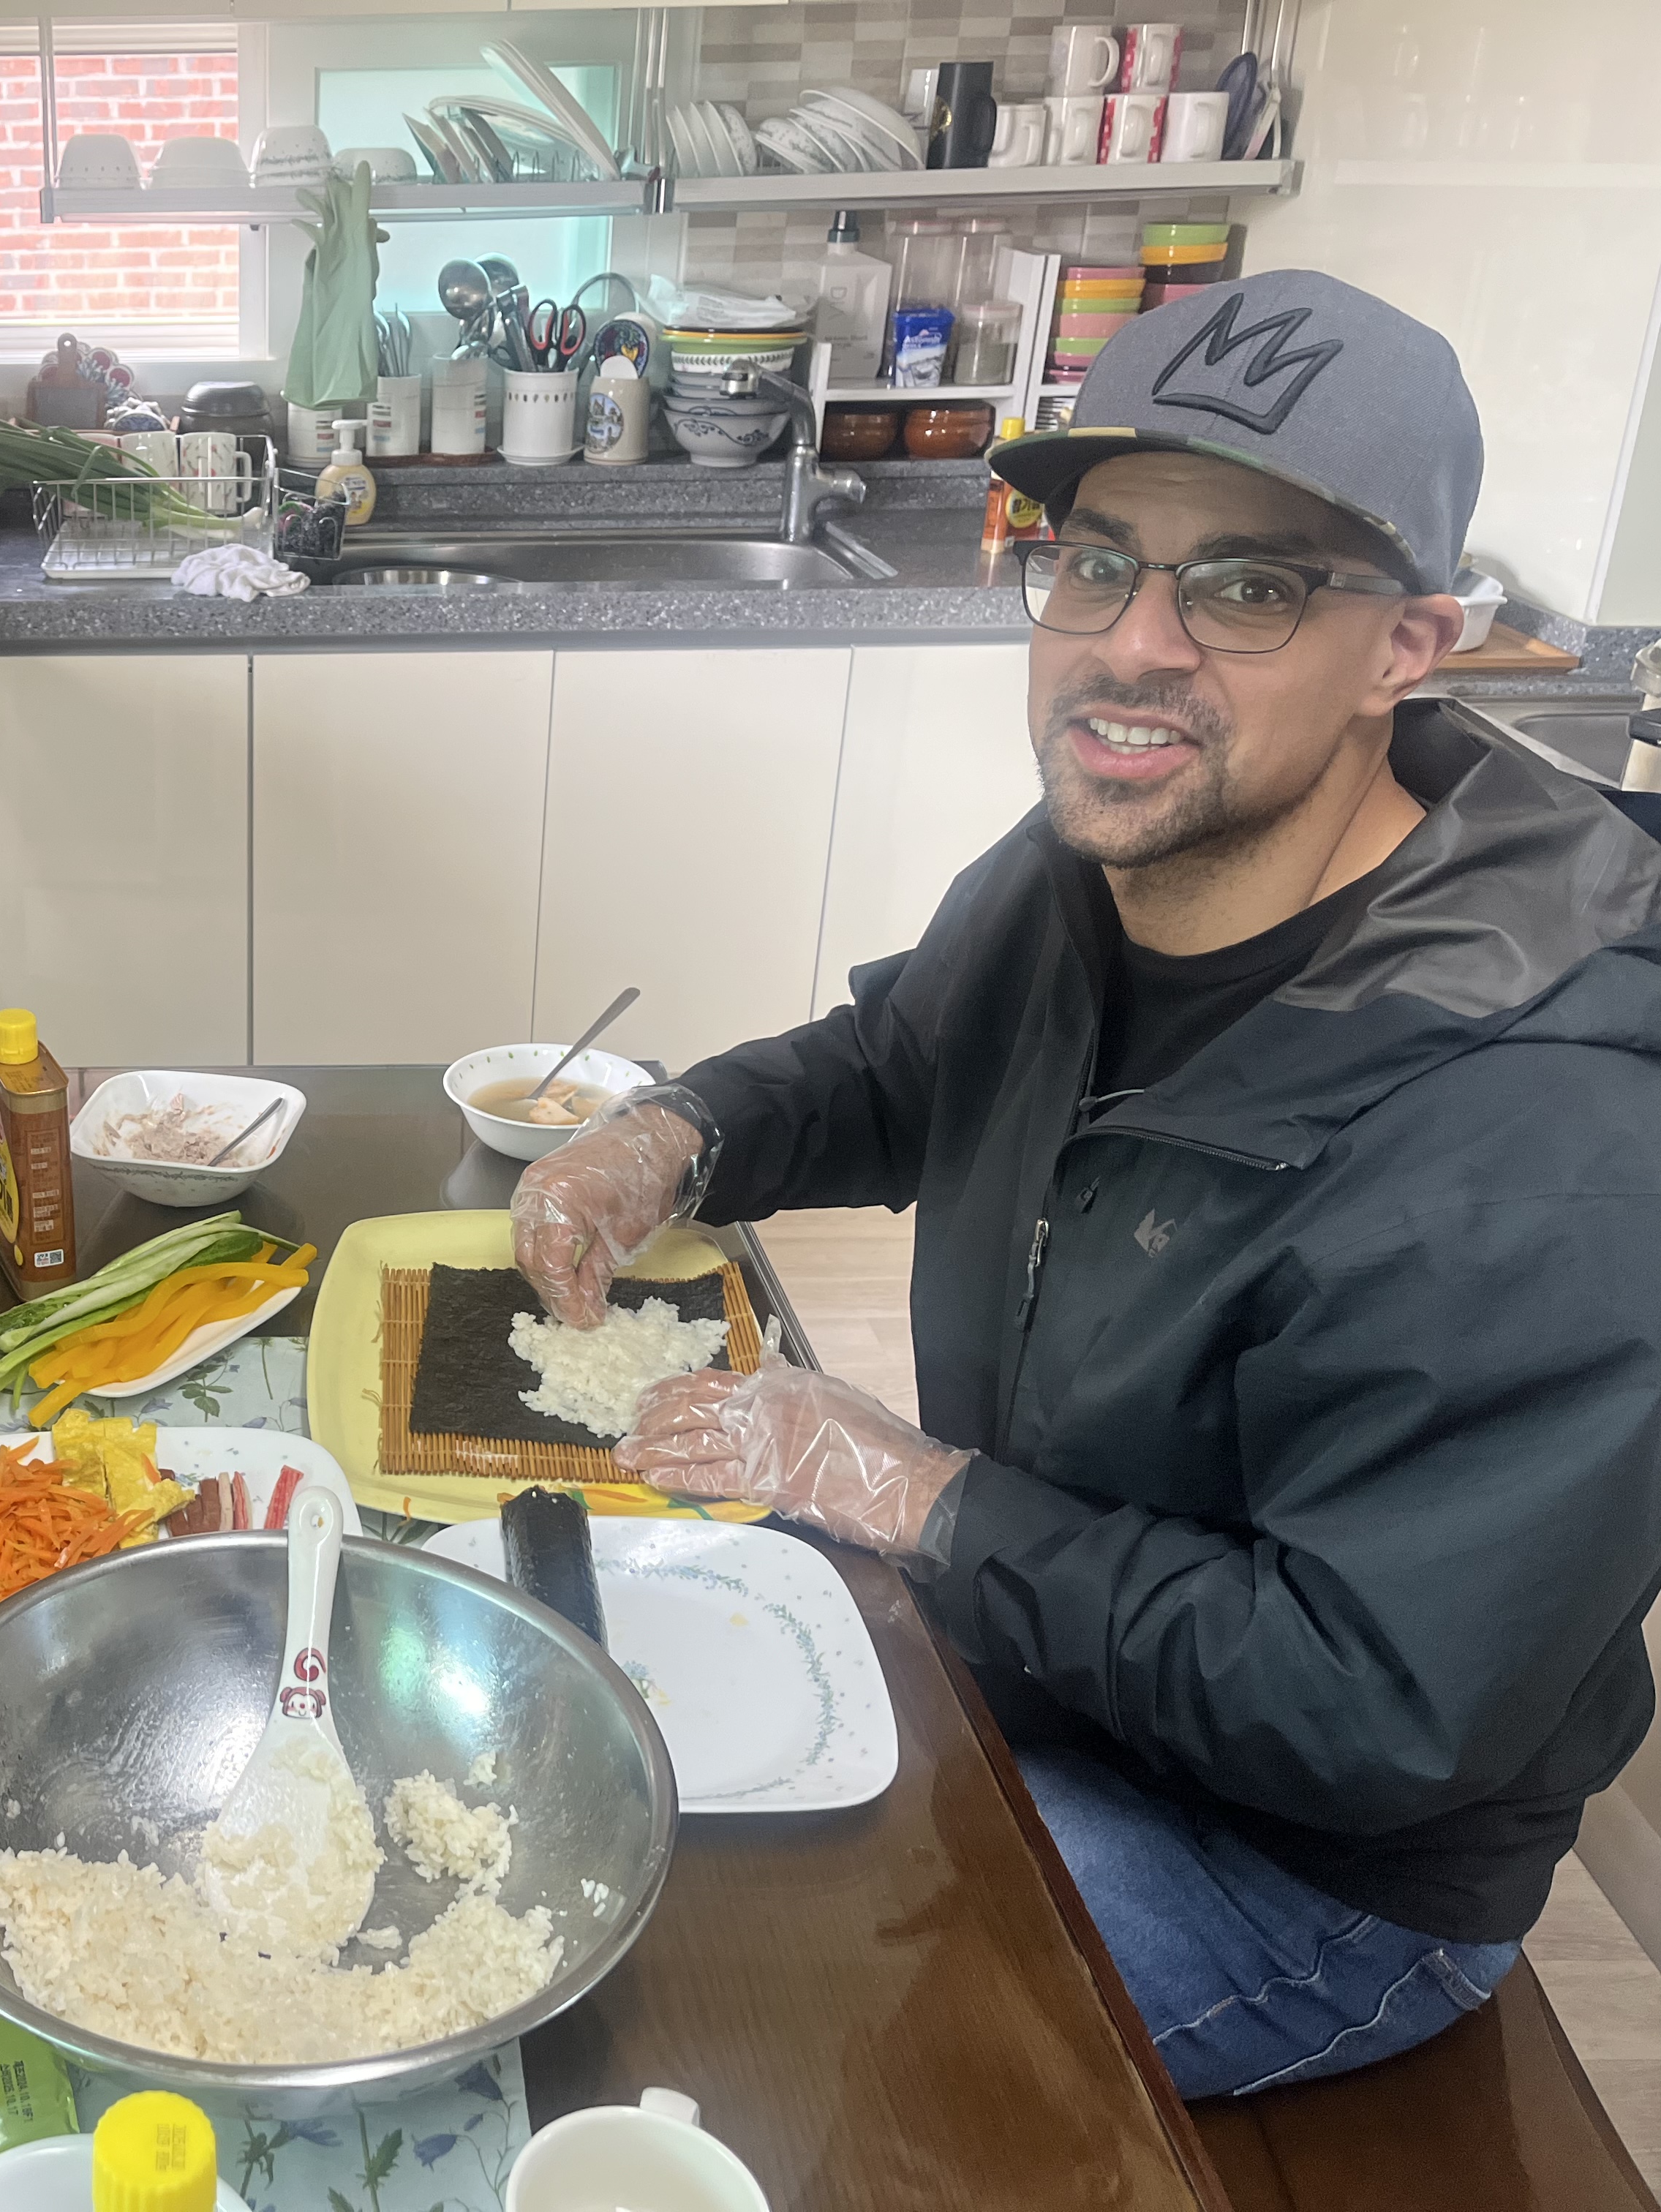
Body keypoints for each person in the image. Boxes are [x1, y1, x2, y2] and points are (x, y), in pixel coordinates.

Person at [513, 270, 1661, 2098]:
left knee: (709, 2041)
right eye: (1101, 562)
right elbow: (902, 1062)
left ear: (1410, 648)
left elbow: (1371, 1707)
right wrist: (682, 1133)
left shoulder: (1544, 1145)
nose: (1135, 646)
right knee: (557, 1806)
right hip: (1039, 1655)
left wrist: (930, 1499)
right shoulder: (1097, 867)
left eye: (1251, 587)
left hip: (1304, 1872)